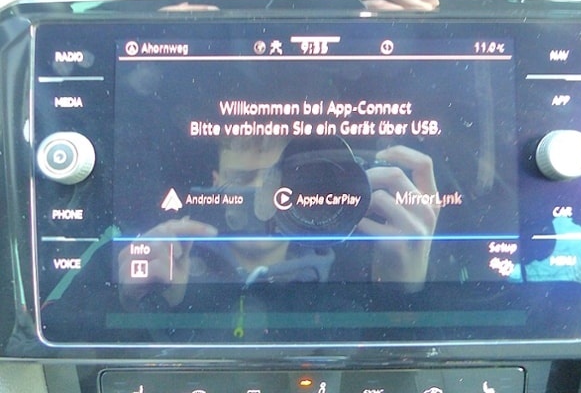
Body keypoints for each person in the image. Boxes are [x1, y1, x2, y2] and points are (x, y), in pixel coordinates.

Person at [117, 134, 440, 315]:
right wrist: (145, 303)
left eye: (279, 182)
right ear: (216, 185)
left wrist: (404, 289)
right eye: (242, 180)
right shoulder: (164, 255)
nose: (265, 202)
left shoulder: (356, 271)